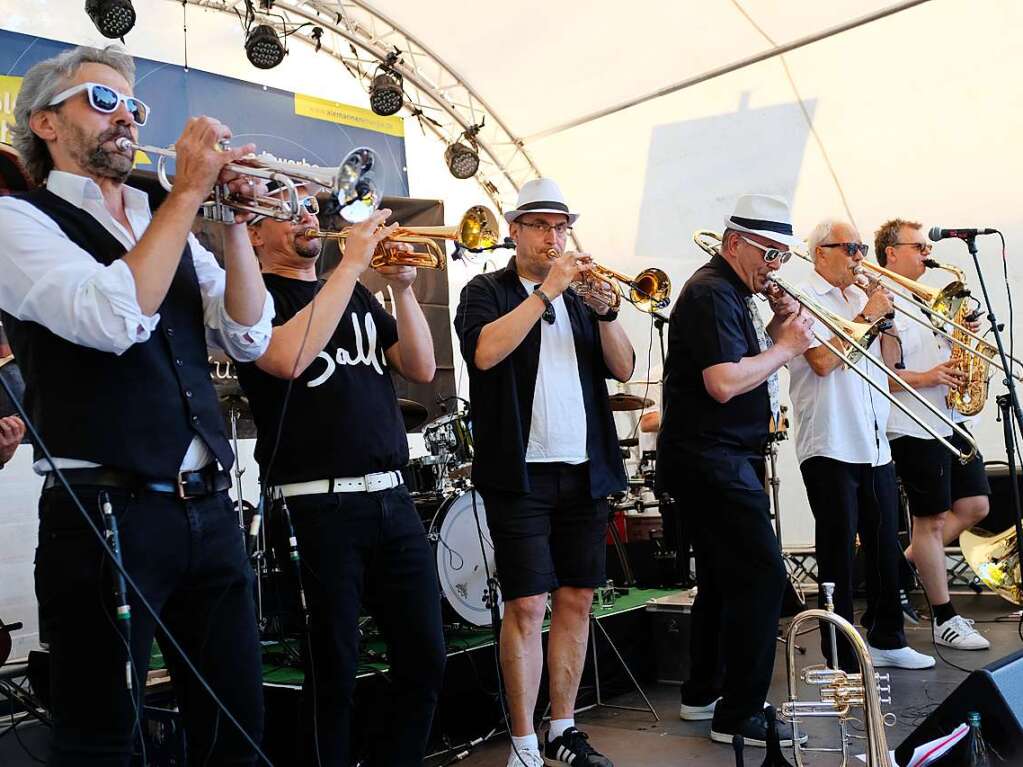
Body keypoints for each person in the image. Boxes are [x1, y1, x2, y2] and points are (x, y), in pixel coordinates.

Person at [0, 45, 272, 764]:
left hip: (207, 509)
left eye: (134, 106)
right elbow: (110, 319)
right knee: (102, 740)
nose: (126, 117)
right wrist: (186, 197)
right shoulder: (18, 222)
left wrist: (235, 220)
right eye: (102, 100)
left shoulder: (162, 214)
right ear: (45, 122)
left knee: (236, 728)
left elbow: (246, 334)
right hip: (103, 515)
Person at [235, 187, 446, 765]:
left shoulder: (350, 292)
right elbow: (287, 358)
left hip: (390, 500)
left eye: (310, 209)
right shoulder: (254, 299)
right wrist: (352, 261)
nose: (308, 217)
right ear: (252, 234)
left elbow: (422, 368)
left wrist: (401, 289)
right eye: (287, 212)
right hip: (314, 507)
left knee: (425, 658)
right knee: (334, 670)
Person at [454, 178, 635, 767]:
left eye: (560, 226)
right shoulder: (485, 290)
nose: (552, 237)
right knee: (527, 605)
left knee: (577, 598)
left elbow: (625, 368)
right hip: (521, 473)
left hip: (585, 470)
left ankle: (563, 728)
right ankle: (525, 742)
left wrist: (607, 313)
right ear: (513, 229)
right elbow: (484, 353)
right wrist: (546, 294)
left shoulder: (583, 295)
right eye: (539, 225)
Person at [658, 195, 813, 747]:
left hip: (711, 457)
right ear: (734, 243)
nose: (774, 266)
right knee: (762, 579)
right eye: (767, 253)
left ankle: (703, 694)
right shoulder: (711, 292)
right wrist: (787, 346)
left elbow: (735, 366)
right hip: (714, 458)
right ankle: (739, 714)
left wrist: (774, 332)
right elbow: (723, 382)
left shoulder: (724, 291)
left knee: (723, 583)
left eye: (781, 256)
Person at [788, 219, 935, 673]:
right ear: (820, 253)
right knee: (837, 551)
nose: (858, 255)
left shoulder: (860, 297)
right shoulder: (802, 297)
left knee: (884, 542)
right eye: (848, 247)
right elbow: (824, 361)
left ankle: (888, 636)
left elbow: (890, 368)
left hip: (874, 441)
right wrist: (870, 314)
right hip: (830, 439)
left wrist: (888, 321)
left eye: (858, 246)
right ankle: (840, 654)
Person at [875, 218, 990, 650]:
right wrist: (928, 376)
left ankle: (902, 568)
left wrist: (964, 336)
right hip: (914, 423)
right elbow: (879, 376)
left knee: (976, 505)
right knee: (932, 519)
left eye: (926, 247)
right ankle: (944, 617)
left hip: (951, 419)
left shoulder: (935, 297)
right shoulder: (882, 302)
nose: (927, 253)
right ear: (891, 252)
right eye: (918, 247)